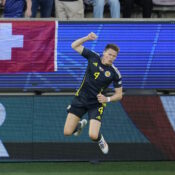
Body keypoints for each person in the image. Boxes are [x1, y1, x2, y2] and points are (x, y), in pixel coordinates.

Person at [64, 32, 123, 154]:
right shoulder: (93, 57)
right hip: (80, 99)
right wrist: (87, 38)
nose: (111, 57)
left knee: (92, 135)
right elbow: (74, 45)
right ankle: (79, 125)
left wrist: (107, 99)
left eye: (114, 56)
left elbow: (119, 95)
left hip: (96, 104)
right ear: (104, 52)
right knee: (67, 132)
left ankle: (100, 139)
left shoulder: (115, 73)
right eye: (110, 54)